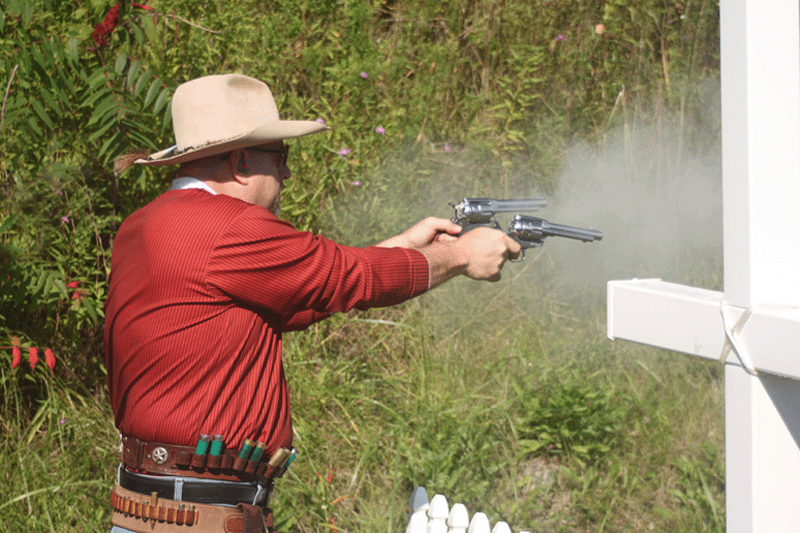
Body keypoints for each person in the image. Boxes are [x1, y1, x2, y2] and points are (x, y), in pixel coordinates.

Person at [104, 73, 520, 533]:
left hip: (160, 510)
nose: (286, 173)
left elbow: (298, 295)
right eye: (280, 157)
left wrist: (403, 245)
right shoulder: (229, 227)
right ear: (241, 162)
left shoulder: (145, 225)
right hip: (200, 515)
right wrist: (462, 254)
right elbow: (349, 278)